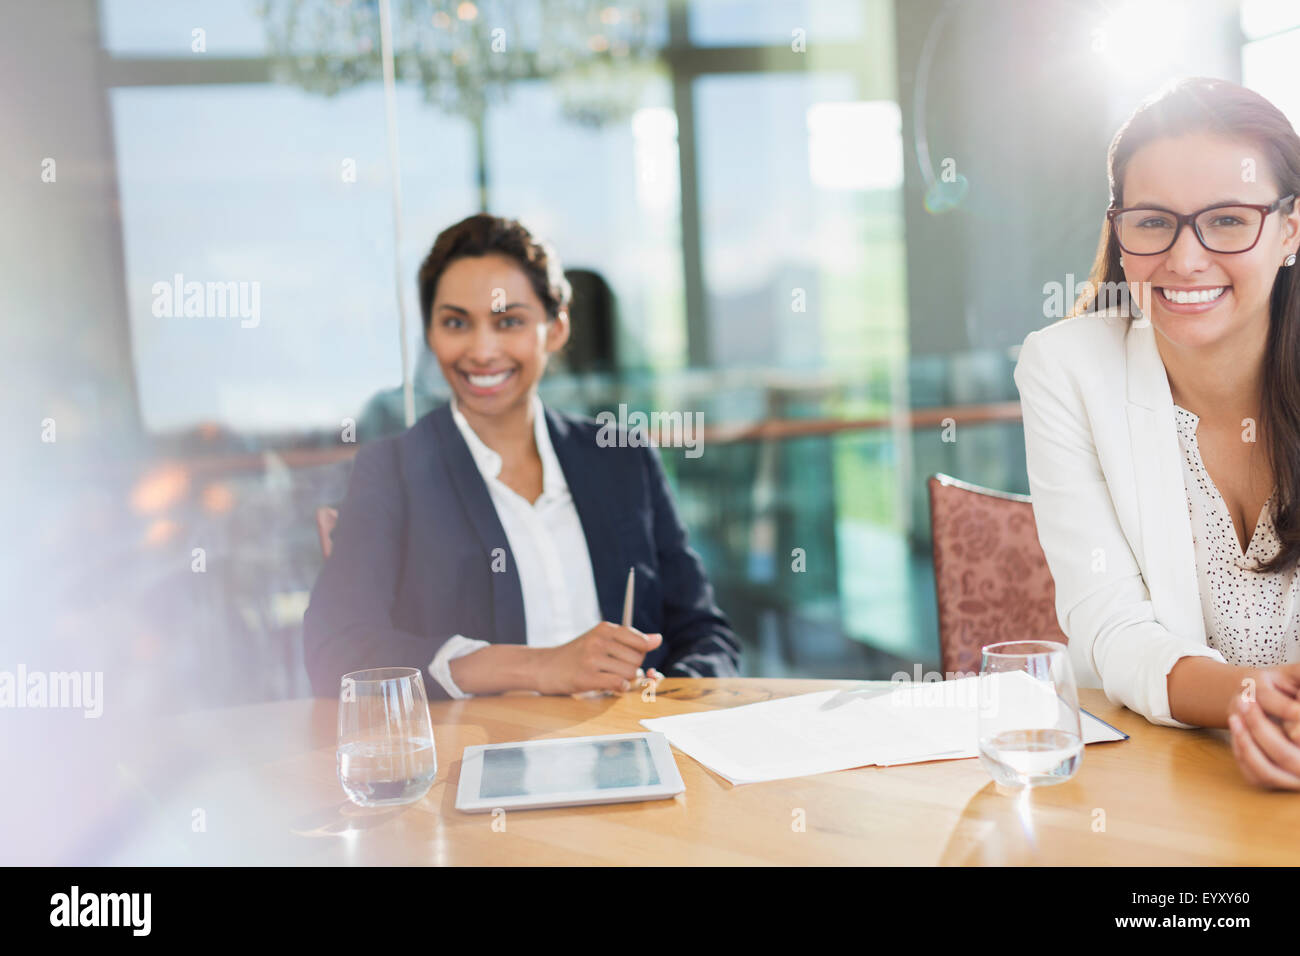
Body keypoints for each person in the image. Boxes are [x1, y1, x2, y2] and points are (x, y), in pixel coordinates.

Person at [304, 213, 740, 700]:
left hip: (635, 749)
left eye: (508, 321)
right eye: (456, 323)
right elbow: (336, 648)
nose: (482, 350)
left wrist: (669, 693)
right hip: (480, 762)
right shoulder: (392, 472)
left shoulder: (623, 459)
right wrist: (535, 667)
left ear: (555, 329)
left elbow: (707, 636)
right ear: (430, 334)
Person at [1015, 78, 1300, 789]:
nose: (1186, 259)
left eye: (1228, 220)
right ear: (1119, 230)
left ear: (1291, 230)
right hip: (1163, 781)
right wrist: (1257, 704)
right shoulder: (1065, 367)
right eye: (1153, 222)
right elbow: (1112, 630)